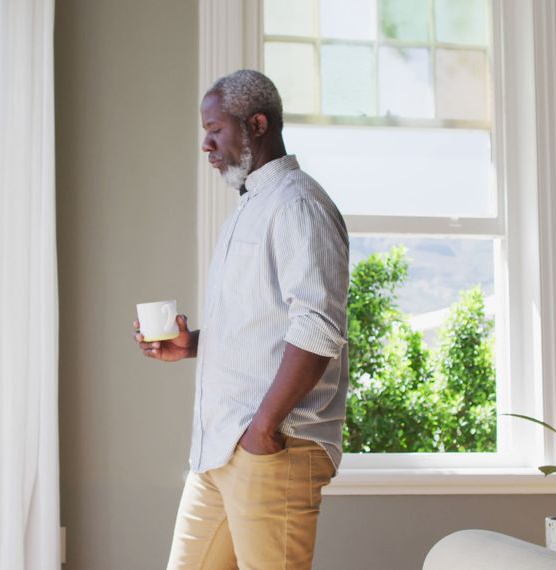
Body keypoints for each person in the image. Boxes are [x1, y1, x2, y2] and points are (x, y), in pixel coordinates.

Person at [132, 69, 350, 570]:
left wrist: (263, 431)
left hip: (272, 447)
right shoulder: (249, 209)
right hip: (219, 449)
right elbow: (264, 328)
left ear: (256, 124)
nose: (206, 145)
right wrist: (191, 345)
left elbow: (318, 327)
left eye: (215, 130)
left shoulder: (298, 204)